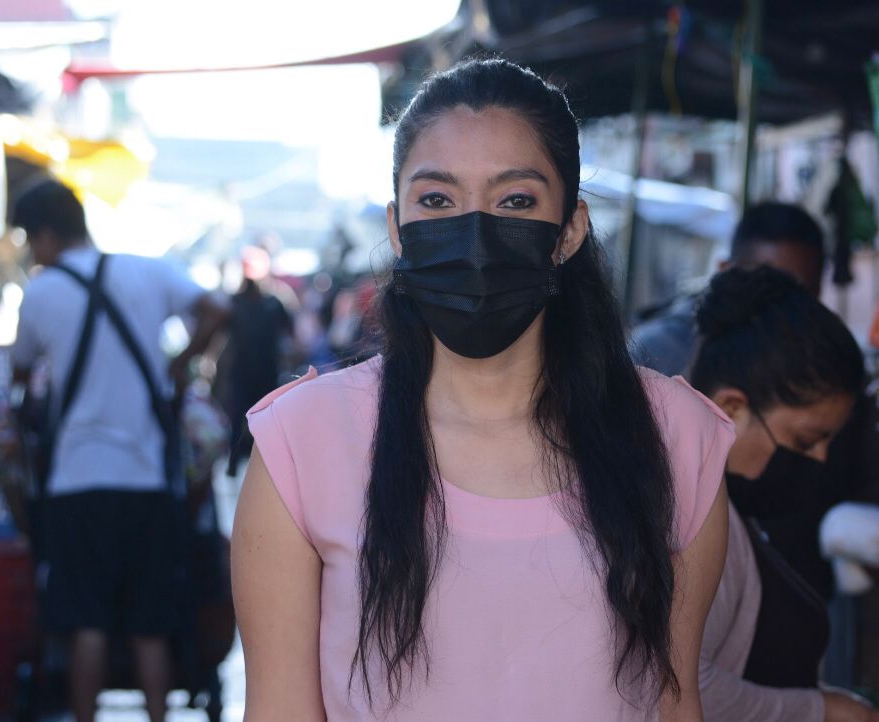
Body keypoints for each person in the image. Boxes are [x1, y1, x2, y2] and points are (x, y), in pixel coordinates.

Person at [232, 58, 731, 721]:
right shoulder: (302, 442)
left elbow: (676, 702)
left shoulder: (677, 435)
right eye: (437, 200)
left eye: (515, 201)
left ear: (570, 230)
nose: (473, 236)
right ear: (397, 229)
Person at [9, 179, 229, 722]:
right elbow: (217, 309)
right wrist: (179, 365)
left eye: (29, 240)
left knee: (87, 626)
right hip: (148, 480)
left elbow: (20, 374)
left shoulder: (41, 292)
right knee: (150, 628)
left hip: (77, 481)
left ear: (45, 235)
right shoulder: (147, 271)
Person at [690, 266, 877, 722]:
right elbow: (681, 686)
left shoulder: (731, 509)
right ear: (732, 408)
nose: (819, 460)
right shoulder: (686, 515)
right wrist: (824, 711)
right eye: (805, 441)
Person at [632, 201, 825, 377]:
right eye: (764, 292)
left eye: (798, 296)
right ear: (724, 272)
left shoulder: (819, 357)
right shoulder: (656, 351)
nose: (781, 311)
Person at [221, 245, 296, 475]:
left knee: (264, 422)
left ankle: (262, 470)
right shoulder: (235, 302)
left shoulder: (274, 301)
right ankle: (236, 465)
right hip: (244, 372)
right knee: (240, 420)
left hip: (265, 372)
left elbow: (291, 335)